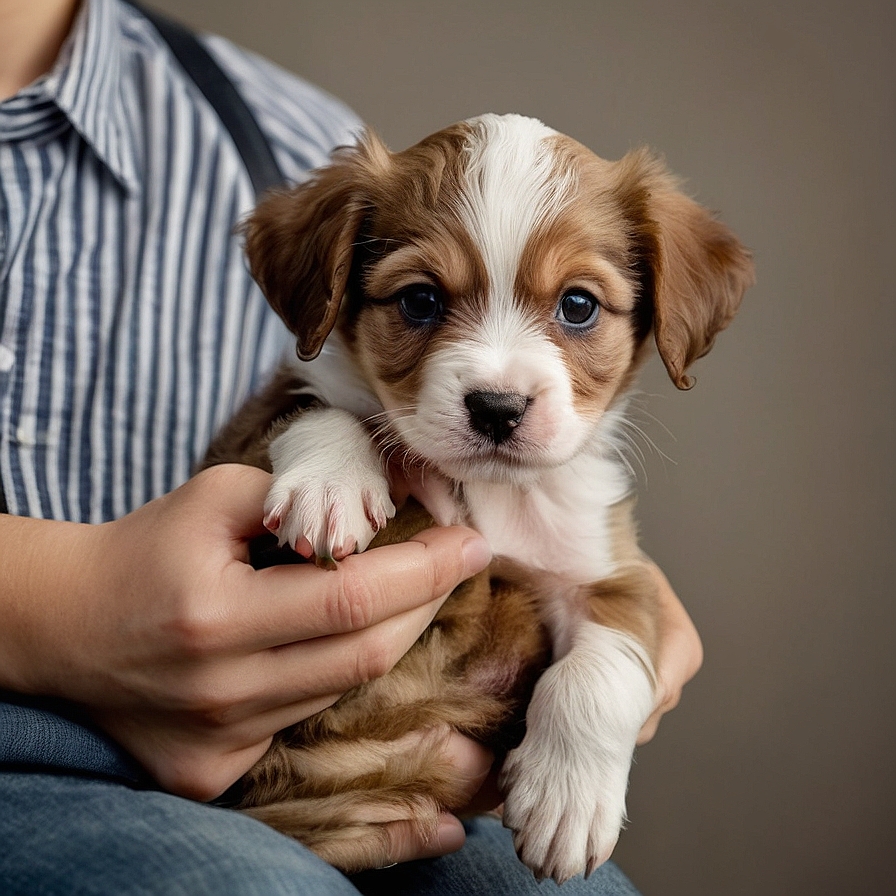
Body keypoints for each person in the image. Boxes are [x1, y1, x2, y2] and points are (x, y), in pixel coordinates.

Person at [0, 1, 703, 893]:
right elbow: (295, 414)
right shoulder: (340, 218)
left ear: (652, 318)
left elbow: (613, 610)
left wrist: (599, 692)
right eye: (421, 301)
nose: (497, 381)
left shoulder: (282, 128)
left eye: (577, 307)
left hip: (400, 795)